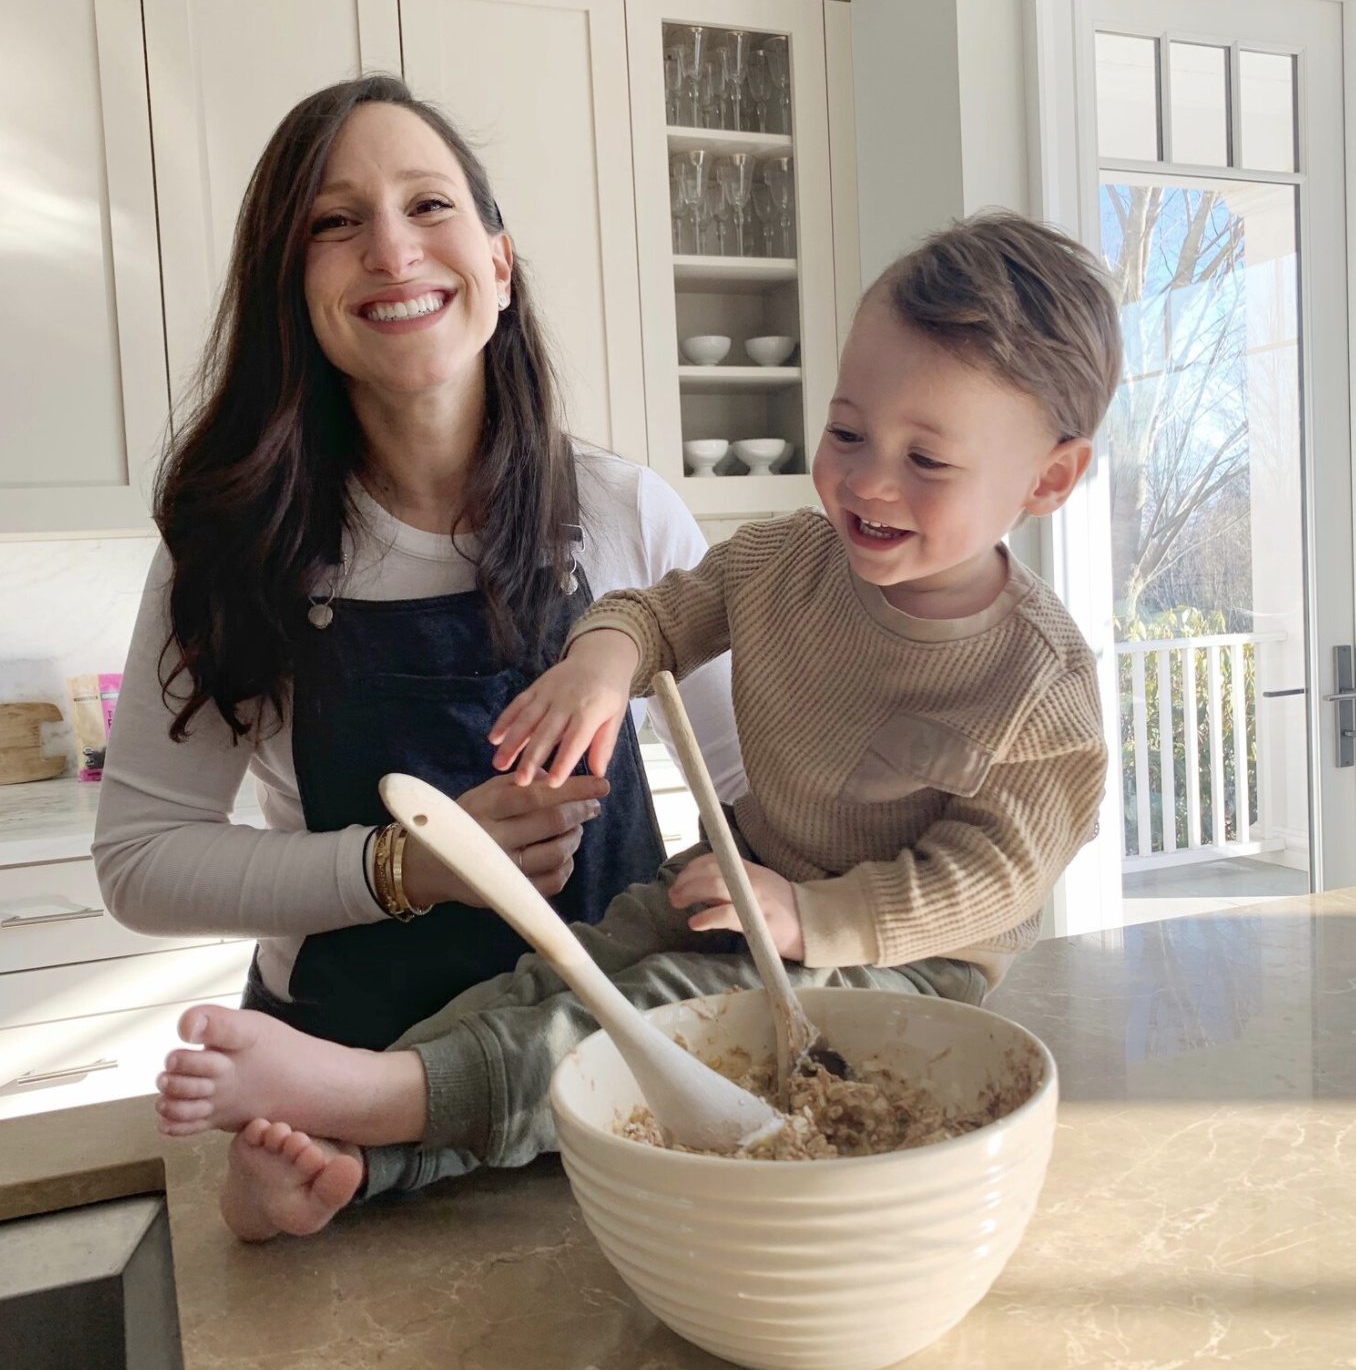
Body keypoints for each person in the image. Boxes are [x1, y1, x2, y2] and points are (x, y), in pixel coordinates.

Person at [155, 209, 1121, 1244]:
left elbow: (997, 876)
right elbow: (658, 612)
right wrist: (603, 662)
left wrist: (812, 917)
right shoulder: (787, 559)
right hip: (740, 881)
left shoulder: (1040, 679)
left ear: (1049, 480)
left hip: (901, 958)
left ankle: (374, 1109)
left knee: (648, 1015)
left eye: (927, 460)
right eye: (846, 431)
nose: (868, 480)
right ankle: (356, 1154)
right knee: (557, 968)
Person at [92, 74, 743, 1224]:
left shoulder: (623, 514)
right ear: (292, 290)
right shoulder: (233, 552)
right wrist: (406, 866)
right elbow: (141, 859)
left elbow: (754, 789)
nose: (391, 249)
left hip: (608, 1066)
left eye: (428, 205)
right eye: (334, 223)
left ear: (500, 263)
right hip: (338, 1081)